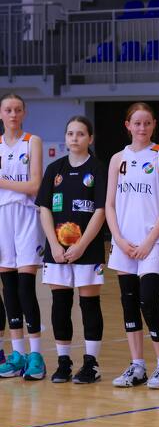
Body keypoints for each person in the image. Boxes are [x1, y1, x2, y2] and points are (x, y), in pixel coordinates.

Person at [106, 102, 159, 389]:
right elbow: (110, 205)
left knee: (148, 301)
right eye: (137, 123)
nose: (142, 128)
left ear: (154, 124)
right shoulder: (117, 159)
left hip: (153, 242)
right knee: (129, 303)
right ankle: (137, 365)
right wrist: (119, 239)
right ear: (128, 125)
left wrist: (149, 241)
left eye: (147, 123)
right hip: (124, 242)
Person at [37, 116, 106, 384]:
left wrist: (82, 245)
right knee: (60, 304)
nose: (74, 138)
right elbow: (44, 208)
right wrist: (54, 244)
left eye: (80, 134)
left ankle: (91, 364)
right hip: (57, 251)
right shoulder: (55, 169)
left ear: (90, 138)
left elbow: (101, 210)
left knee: (89, 305)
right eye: (70, 134)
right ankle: (63, 362)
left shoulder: (97, 169)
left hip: (87, 249)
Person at [0, 93, 46, 381]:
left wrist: (2, 182)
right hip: (2, 217)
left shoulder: (33, 142)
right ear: (1, 114)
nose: (13, 114)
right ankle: (17, 355)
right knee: (9, 288)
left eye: (18, 109)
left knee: (26, 287)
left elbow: (35, 185)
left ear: (24, 113)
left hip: (27, 216)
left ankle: (36, 355)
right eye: (8, 109)